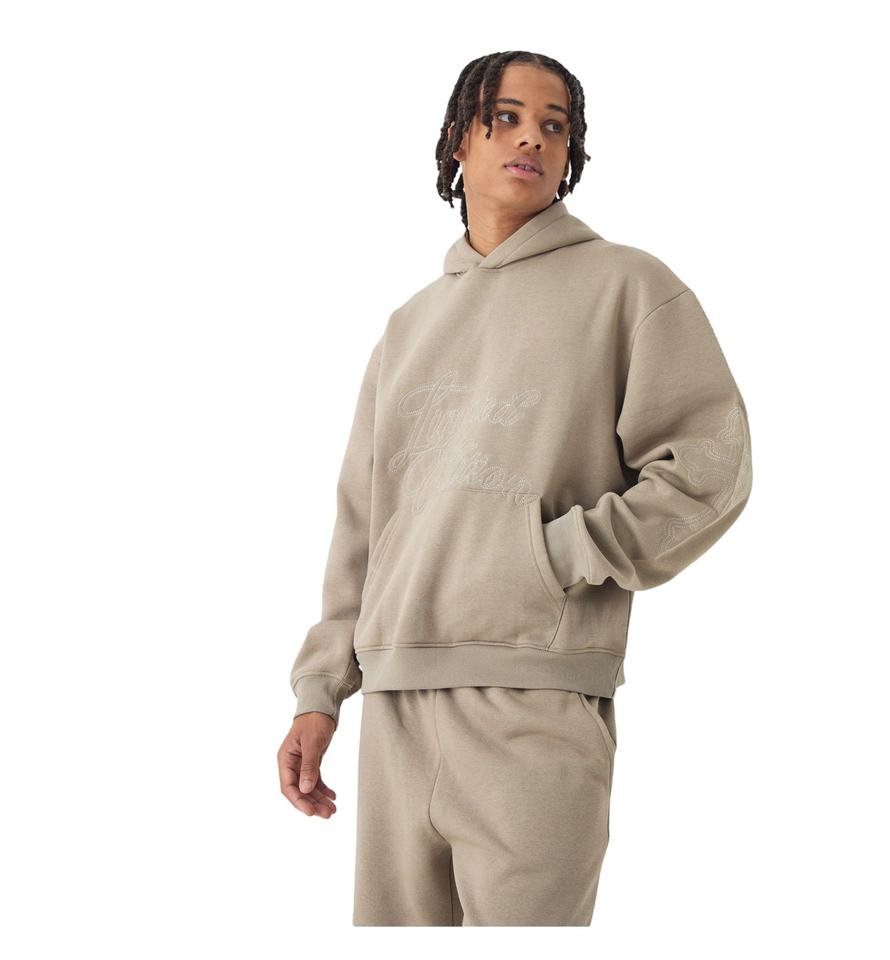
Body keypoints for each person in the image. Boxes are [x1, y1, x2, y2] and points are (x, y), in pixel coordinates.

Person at [277, 50, 753, 926]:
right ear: (459, 139)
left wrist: (557, 554)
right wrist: (320, 693)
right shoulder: (408, 326)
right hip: (394, 715)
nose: (531, 136)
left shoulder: (628, 287)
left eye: (554, 124)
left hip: (536, 705)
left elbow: (708, 467)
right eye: (505, 117)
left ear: (571, 152)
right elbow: (363, 529)